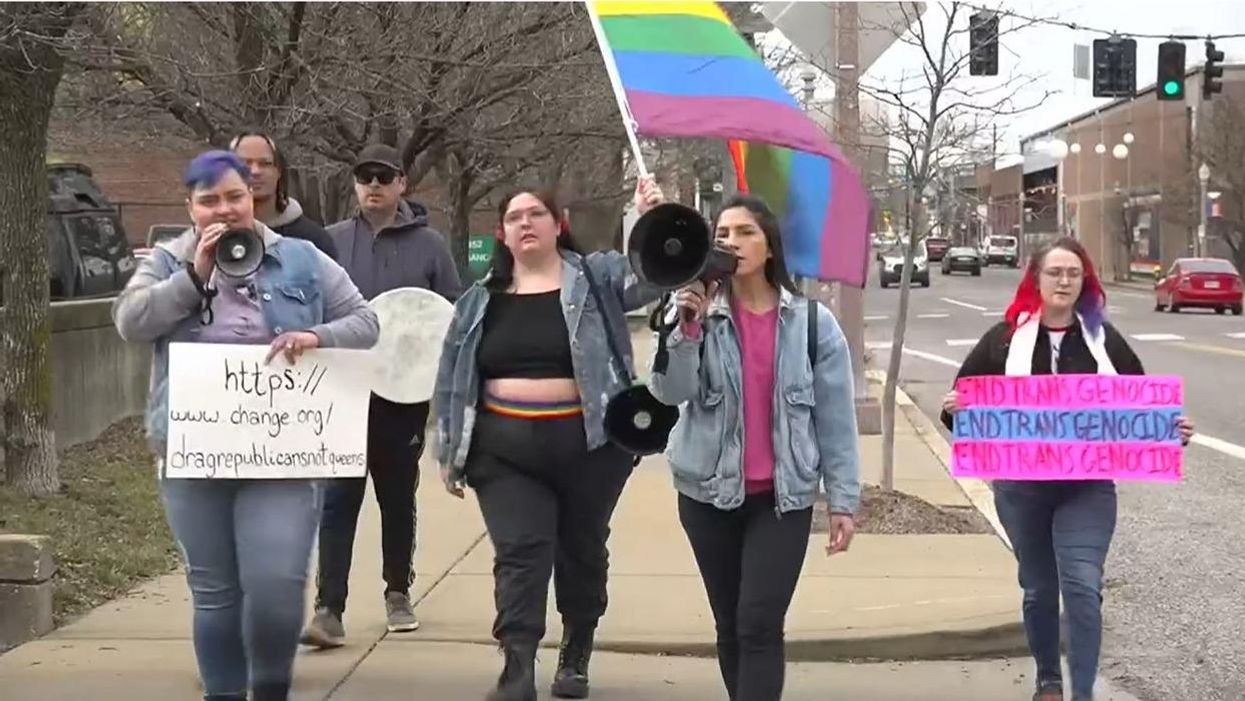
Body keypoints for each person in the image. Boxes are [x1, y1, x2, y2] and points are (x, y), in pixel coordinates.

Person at [111, 150, 378, 701]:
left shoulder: (301, 258)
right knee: (215, 591)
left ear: (251, 196)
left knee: (277, 585)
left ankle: (271, 687)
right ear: (191, 208)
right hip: (193, 451)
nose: (224, 210)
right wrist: (194, 275)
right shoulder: (167, 260)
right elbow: (130, 322)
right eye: (209, 201)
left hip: (282, 453)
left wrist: (318, 337)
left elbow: (367, 321)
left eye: (234, 196)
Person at [432, 180, 665, 700]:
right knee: (520, 551)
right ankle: (517, 667)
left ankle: (576, 648)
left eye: (536, 213)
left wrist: (653, 221)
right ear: (502, 234)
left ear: (557, 223)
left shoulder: (597, 278)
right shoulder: (478, 300)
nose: (525, 223)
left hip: (592, 445)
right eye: (514, 217)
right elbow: (452, 377)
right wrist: (449, 452)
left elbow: (652, 279)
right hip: (504, 449)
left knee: (580, 549)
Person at [939, 236, 1195, 701]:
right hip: (1022, 488)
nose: (1064, 280)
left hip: (1087, 487)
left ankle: (1083, 690)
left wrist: (1168, 429)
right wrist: (956, 407)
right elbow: (963, 406)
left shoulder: (1102, 341)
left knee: (1081, 583)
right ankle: (1048, 681)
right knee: (1039, 589)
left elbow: (1140, 402)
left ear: (1084, 281)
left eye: (1073, 273)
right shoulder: (1003, 341)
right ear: (1036, 278)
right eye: (1055, 272)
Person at [645, 194, 861, 701]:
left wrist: (843, 499)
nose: (732, 243)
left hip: (782, 499)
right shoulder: (695, 316)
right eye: (722, 235)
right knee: (730, 623)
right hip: (706, 496)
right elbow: (670, 394)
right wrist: (687, 328)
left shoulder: (811, 324)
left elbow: (835, 420)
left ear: (769, 248)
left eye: (745, 233)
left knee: (759, 622)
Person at [301, 143, 462, 647]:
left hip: (403, 394)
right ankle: (329, 608)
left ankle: (397, 592)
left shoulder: (430, 246)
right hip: (344, 390)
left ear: (401, 185)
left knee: (397, 497)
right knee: (338, 500)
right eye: (364, 176)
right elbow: (310, 305)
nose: (373, 184)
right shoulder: (329, 242)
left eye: (384, 177)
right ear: (354, 183)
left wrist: (436, 373)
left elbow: (450, 316)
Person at [230, 130, 337, 259]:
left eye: (265, 164)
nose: (255, 171)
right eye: (245, 163)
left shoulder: (313, 240)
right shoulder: (214, 237)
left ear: (279, 171)